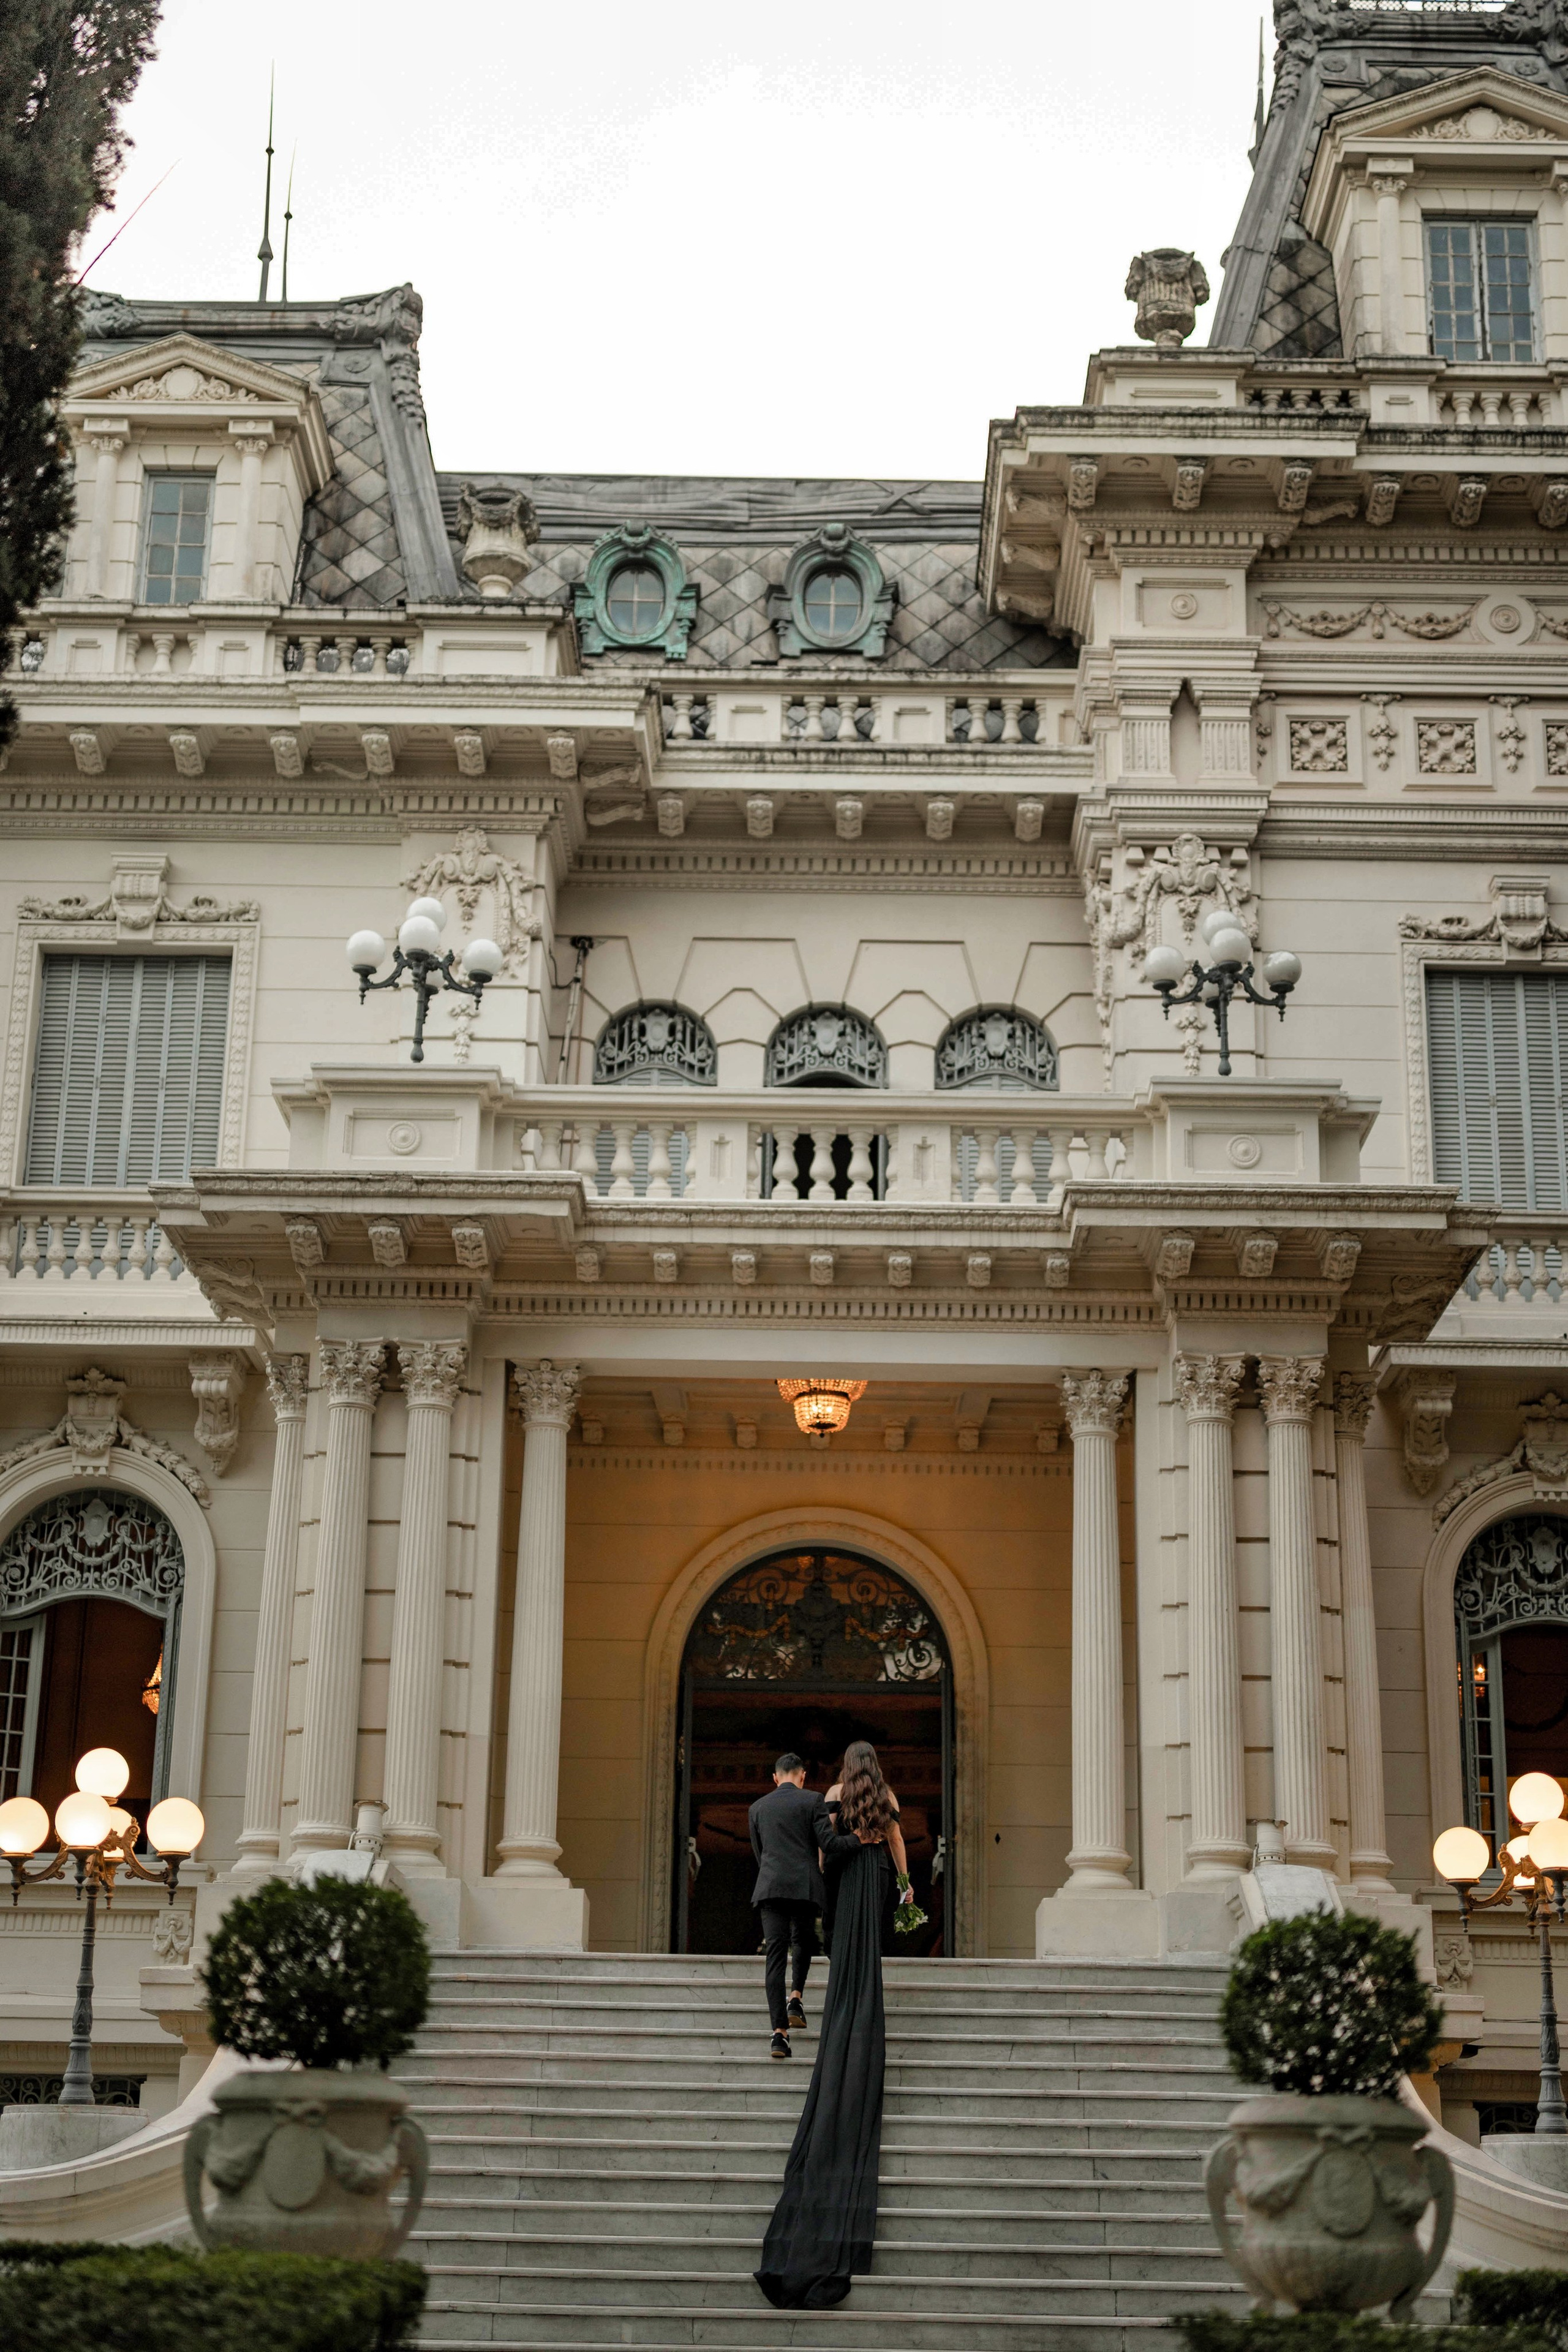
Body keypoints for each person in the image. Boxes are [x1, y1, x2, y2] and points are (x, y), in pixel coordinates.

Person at [754, 1738, 912, 2311]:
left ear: (847, 1768)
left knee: (844, 1950)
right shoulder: (886, 1793)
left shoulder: (836, 1794)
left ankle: (837, 2006)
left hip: (848, 1876)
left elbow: (825, 1852)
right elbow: (895, 1836)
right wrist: (905, 1881)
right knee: (867, 1954)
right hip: (874, 1876)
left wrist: (829, 1870)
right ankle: (864, 2007)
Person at [748, 1752, 833, 2060]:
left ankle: (779, 2035)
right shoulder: (813, 1800)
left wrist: (774, 1874)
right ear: (802, 1775)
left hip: (770, 1885)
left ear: (775, 1777)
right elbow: (828, 1843)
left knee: (775, 1955)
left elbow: (761, 1854)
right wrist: (858, 1842)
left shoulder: (757, 1808)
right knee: (803, 1941)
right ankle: (796, 1996)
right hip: (804, 1885)